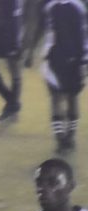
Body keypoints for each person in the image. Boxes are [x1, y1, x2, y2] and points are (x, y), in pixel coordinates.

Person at [23, 0, 88, 152]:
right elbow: (83, 35)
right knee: (69, 98)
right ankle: (67, 138)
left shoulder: (54, 6)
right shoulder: (76, 6)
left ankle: (63, 139)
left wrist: (30, 52)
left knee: (58, 98)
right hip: (67, 58)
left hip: (56, 58)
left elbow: (40, 28)